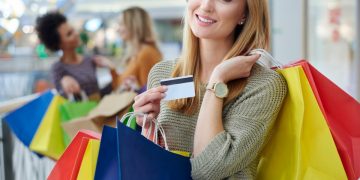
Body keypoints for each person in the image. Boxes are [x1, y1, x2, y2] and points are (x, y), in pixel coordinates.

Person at [133, 0, 287, 179]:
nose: (206, 6)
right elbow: (150, 162)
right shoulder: (163, 72)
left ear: (245, 14)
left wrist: (217, 80)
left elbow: (207, 171)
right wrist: (146, 124)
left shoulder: (264, 85)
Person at [35, 11, 116, 99]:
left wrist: (111, 68)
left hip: (99, 110)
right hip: (79, 112)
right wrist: (64, 83)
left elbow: (99, 93)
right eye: (69, 34)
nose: (76, 34)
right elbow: (62, 94)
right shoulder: (58, 68)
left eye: (73, 30)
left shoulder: (90, 60)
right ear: (59, 44)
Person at [109, 7, 162, 92]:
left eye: (121, 24)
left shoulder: (146, 53)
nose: (118, 29)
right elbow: (118, 85)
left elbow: (150, 92)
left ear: (134, 25)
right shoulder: (136, 53)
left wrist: (136, 89)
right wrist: (111, 67)